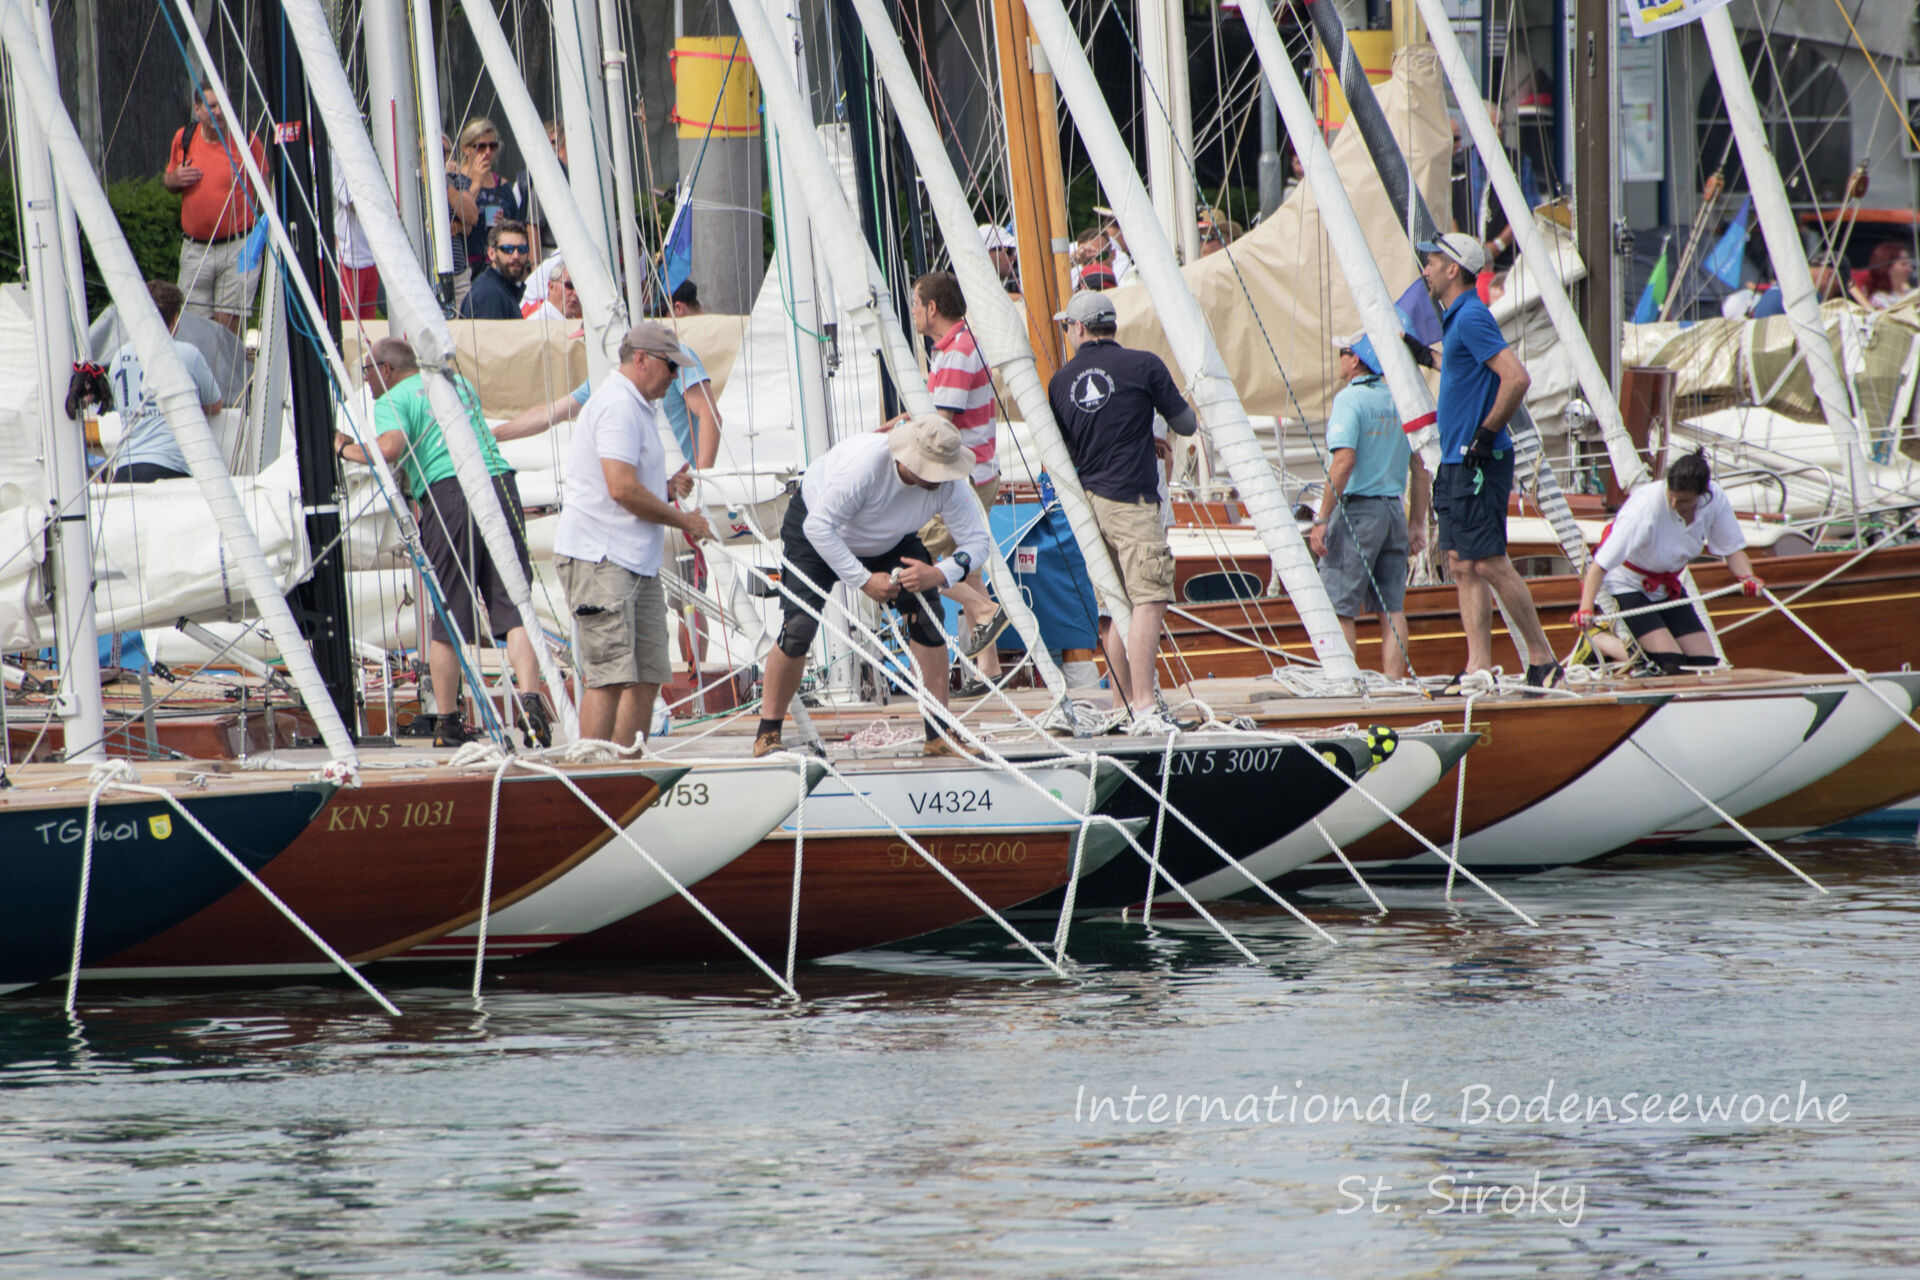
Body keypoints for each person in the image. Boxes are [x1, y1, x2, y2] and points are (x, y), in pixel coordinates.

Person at [336, 338, 550, 748]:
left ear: (386, 369)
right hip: (499, 483)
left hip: (450, 493)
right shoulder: (456, 384)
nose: (367, 382)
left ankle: (447, 721)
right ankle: (530, 698)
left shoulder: (393, 398)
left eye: (367, 373)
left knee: (450, 613)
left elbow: (390, 448)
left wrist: (344, 447)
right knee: (513, 605)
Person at [751, 416, 989, 759]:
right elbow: (818, 527)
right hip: (816, 532)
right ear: (909, 460)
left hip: (891, 539)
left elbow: (977, 542)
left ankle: (939, 734)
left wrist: (939, 574)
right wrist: (863, 580)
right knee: (799, 627)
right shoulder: (864, 466)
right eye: (933, 470)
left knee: (927, 617)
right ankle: (767, 733)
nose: (941, 478)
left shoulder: (948, 483)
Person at [551, 323, 710, 746]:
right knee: (609, 677)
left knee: (647, 675)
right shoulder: (618, 406)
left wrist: (666, 489)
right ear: (641, 359)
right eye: (670, 366)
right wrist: (685, 521)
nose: (675, 376)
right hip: (602, 559)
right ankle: (593, 770)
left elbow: (625, 484)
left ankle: (625, 765)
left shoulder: (638, 407)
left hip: (634, 562)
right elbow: (620, 488)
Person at [1414, 231, 1560, 689]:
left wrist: (1483, 436)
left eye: (1431, 263)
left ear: (1452, 269)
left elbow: (1516, 378)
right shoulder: (1457, 320)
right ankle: (1478, 665)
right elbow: (1463, 369)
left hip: (1476, 460)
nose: (1425, 270)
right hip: (1454, 461)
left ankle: (1543, 659)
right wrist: (1424, 357)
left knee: (1489, 561)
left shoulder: (1472, 315)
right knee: (1460, 562)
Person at [1047, 291, 1197, 732]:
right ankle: (1145, 706)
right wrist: (1141, 429)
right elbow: (1187, 425)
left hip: (1091, 504)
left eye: (1067, 326)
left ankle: (1122, 705)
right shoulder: (1144, 365)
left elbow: (1067, 450)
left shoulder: (1059, 382)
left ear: (1078, 328)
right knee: (1149, 598)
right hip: (1131, 500)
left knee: (1116, 607)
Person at [1571, 449, 1763, 675]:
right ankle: (1599, 639)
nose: (1673, 503)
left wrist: (1747, 577)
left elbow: (1732, 550)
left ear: (1702, 495)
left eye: (1683, 501)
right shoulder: (1645, 507)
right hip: (1626, 584)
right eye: (1670, 495)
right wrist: (1585, 610)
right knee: (1669, 664)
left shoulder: (1715, 499)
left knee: (1705, 662)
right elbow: (1599, 565)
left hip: (1666, 584)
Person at [903, 271, 1006, 693]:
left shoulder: (957, 352)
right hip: (979, 471)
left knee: (910, 561)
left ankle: (984, 609)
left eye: (915, 303)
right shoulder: (960, 345)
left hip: (962, 477)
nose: (912, 311)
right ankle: (989, 670)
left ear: (932, 308)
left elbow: (939, 430)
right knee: (968, 566)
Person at [1309, 333, 1429, 680]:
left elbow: (1344, 461)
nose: (1339, 358)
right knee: (1392, 609)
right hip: (1393, 511)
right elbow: (1421, 468)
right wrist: (1416, 523)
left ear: (1355, 360)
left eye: (1342, 352)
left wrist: (1322, 518)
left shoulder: (1350, 399)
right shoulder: (1399, 400)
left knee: (1339, 608)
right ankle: (1394, 684)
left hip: (1358, 513)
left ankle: (1343, 685)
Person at [163, 88, 266, 335]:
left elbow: (265, 191)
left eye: (223, 105)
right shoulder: (184, 138)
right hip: (195, 250)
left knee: (226, 327)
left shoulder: (246, 139)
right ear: (197, 109)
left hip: (238, 247)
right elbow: (169, 180)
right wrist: (175, 179)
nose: (219, 112)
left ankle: (231, 361)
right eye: (212, 106)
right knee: (193, 327)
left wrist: (264, 238)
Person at [104, 280, 223, 483]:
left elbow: (121, 404)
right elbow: (214, 405)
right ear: (175, 319)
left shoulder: (119, 357)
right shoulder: (188, 355)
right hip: (171, 468)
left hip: (125, 471)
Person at [455, 118, 527, 282]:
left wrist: (504, 223)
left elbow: (518, 226)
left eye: (492, 146)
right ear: (466, 149)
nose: (487, 152)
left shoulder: (502, 185)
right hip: (467, 264)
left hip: (498, 265)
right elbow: (460, 215)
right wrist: (477, 182)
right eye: (481, 146)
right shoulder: (455, 180)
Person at [333, 162, 379, 321]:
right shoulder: (334, 159)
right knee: (347, 326)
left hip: (370, 257)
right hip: (349, 260)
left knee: (369, 325)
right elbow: (353, 203)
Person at [458, 220, 532, 319]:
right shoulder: (492, 295)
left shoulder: (501, 288)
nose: (516, 256)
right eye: (508, 249)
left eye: (522, 249)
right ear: (492, 253)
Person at [443, 133, 480, 313]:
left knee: (463, 320)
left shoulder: (456, 181)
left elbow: (472, 218)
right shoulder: (409, 182)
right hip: (421, 272)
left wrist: (445, 184)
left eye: (444, 152)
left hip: (456, 272)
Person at [1849, 242, 1916, 310]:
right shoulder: (1880, 300)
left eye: (1909, 264)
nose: (1909, 269)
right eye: (1903, 264)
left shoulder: (1913, 294)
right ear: (1887, 268)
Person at [522, 258, 581, 326]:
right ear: (551, 287)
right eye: (569, 285)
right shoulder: (538, 322)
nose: (576, 293)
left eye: (580, 289)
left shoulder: (580, 324)